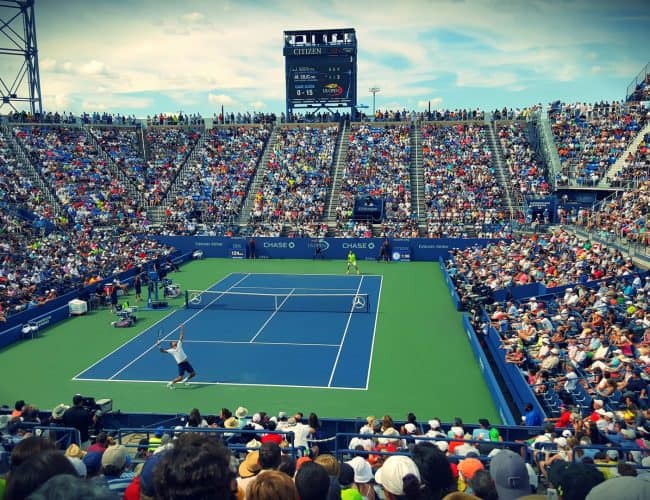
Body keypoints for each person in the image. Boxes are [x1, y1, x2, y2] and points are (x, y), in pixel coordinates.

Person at [158, 323, 196, 389]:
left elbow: (181, 336)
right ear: (172, 345)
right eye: (173, 342)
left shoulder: (179, 345)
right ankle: (170, 384)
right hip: (181, 364)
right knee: (180, 378)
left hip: (186, 362)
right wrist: (158, 346)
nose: (174, 341)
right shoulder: (171, 350)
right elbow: (162, 351)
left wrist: (181, 328)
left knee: (193, 374)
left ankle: (185, 380)